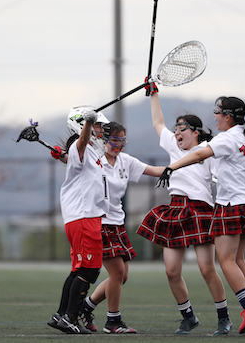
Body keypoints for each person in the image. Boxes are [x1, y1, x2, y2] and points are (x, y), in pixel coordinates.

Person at [155, 96, 245, 334]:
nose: (215, 116)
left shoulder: (228, 138)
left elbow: (200, 155)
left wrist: (172, 167)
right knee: (239, 259)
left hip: (232, 204)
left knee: (226, 261)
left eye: (217, 112)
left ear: (228, 116)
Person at [136, 86, 233, 335]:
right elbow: (158, 122)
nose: (176, 132)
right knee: (171, 271)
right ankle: (188, 317)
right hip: (176, 210)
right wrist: (153, 93)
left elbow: (225, 179)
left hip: (201, 211)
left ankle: (224, 318)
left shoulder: (209, 151)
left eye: (182, 129)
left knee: (206, 268)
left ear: (196, 132)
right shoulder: (173, 146)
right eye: (176, 129)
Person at [77, 121, 165, 334]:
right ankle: (112, 322)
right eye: (114, 140)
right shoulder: (93, 158)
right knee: (117, 272)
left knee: (122, 276)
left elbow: (155, 170)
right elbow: (74, 152)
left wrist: (187, 166)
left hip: (117, 224)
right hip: (99, 222)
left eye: (122, 140)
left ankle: (85, 307)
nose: (119, 145)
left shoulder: (125, 161)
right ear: (103, 141)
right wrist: (86, 126)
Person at [46, 106, 110, 335]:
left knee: (78, 270)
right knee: (90, 270)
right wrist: (89, 123)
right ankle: (71, 318)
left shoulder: (91, 151)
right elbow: (80, 143)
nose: (101, 131)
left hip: (84, 217)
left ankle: (61, 315)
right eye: (98, 126)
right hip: (84, 217)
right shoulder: (80, 145)